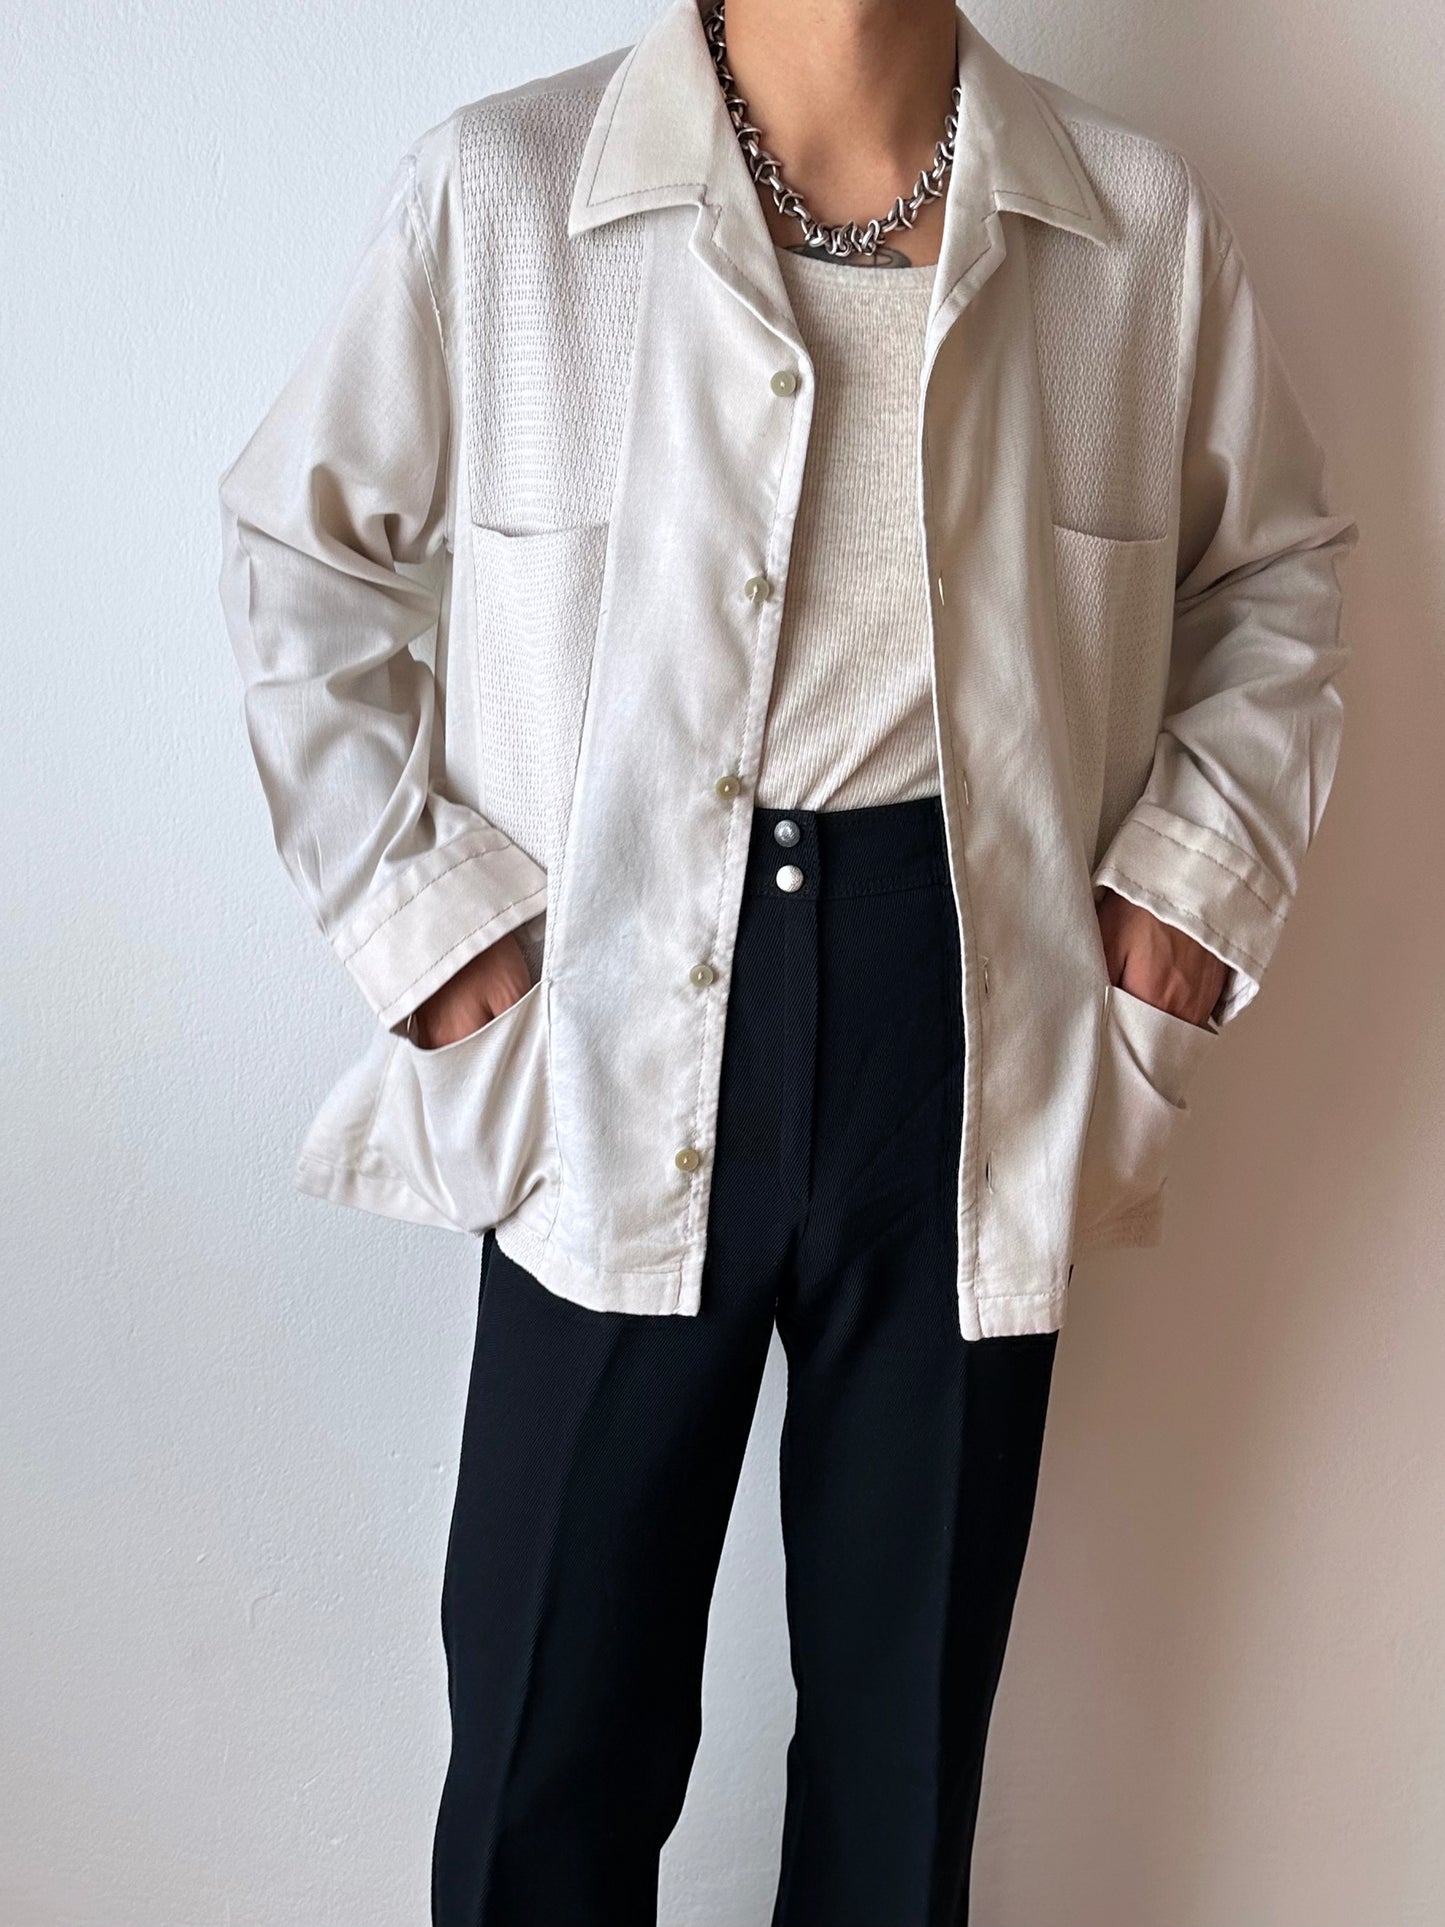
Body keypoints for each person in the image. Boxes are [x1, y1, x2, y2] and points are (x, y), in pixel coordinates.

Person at [216, 0, 1357, 1919]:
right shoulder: (507, 193)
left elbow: (1273, 573)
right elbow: (302, 556)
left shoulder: (1132, 224)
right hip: (607, 1013)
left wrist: (1181, 907)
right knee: (544, 1753)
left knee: (902, 1778)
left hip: (972, 1029)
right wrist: (439, 938)